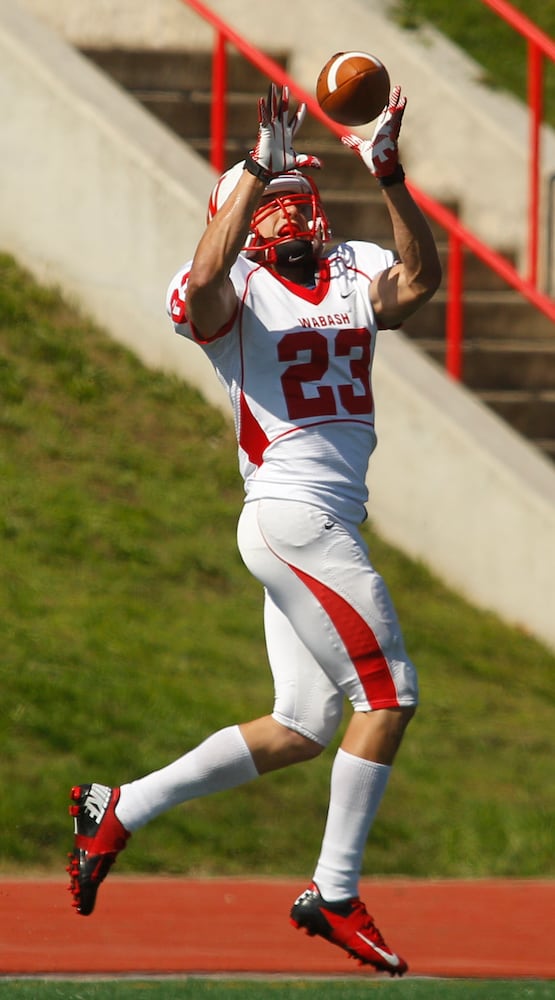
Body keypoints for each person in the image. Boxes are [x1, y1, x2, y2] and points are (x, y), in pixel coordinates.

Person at [67, 82, 441, 976]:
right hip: (291, 515)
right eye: (277, 197)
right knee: (387, 697)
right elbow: (200, 281)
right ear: (239, 216)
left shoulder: (350, 265)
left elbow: (417, 283)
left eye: (299, 193)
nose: (297, 207)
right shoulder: (227, 286)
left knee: (303, 725)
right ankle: (335, 892)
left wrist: (388, 175)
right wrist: (249, 177)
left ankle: (116, 808)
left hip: (317, 519)